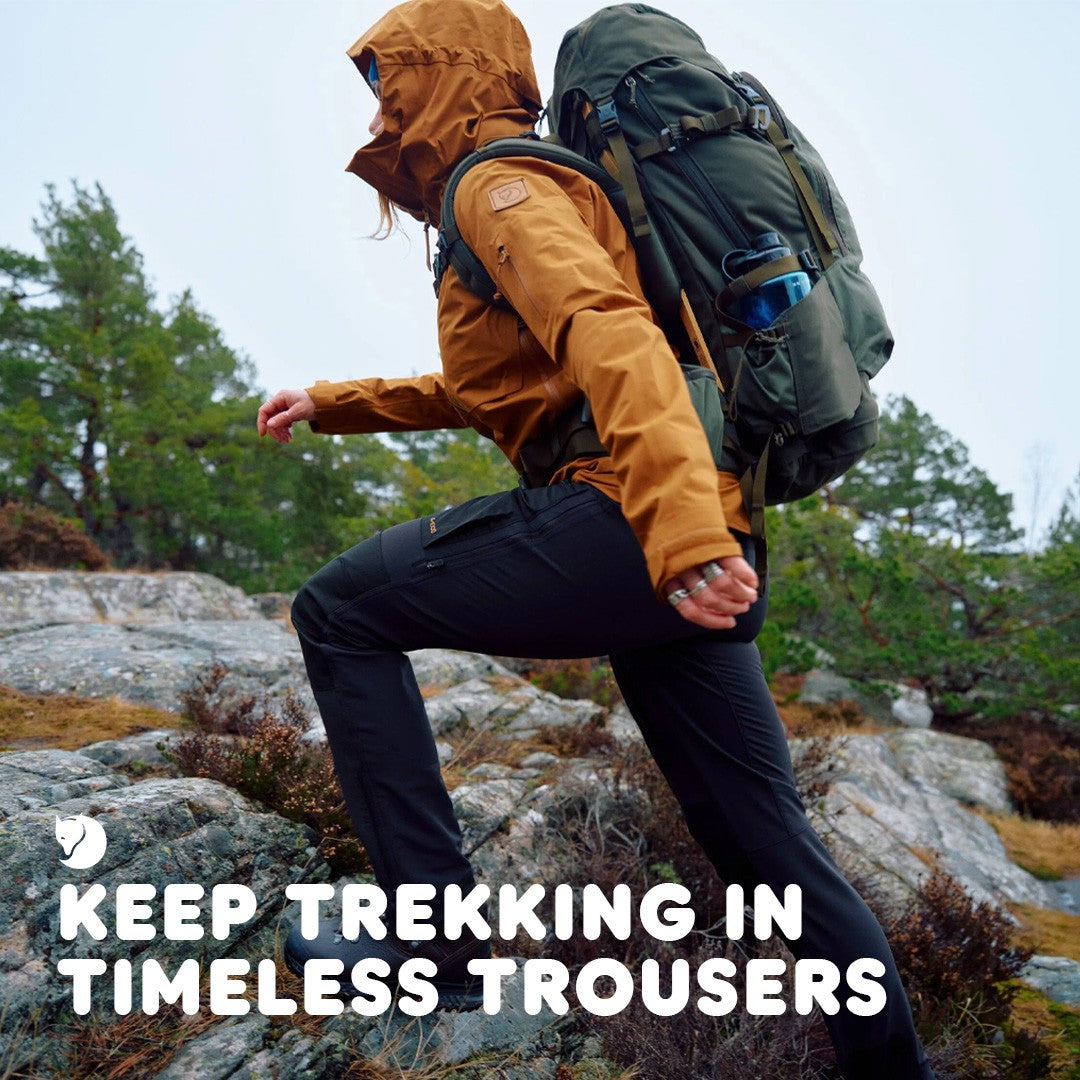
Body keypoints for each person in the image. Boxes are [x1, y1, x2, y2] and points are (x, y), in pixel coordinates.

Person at [256, 1, 934, 1075]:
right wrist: (337, 402)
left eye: (392, 79)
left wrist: (675, 539)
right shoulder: (536, 189)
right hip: (700, 527)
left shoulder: (500, 184)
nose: (381, 105)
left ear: (446, 74)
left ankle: (433, 950)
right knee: (767, 848)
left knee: (338, 613)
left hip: (640, 523)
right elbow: (513, 384)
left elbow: (613, 341)